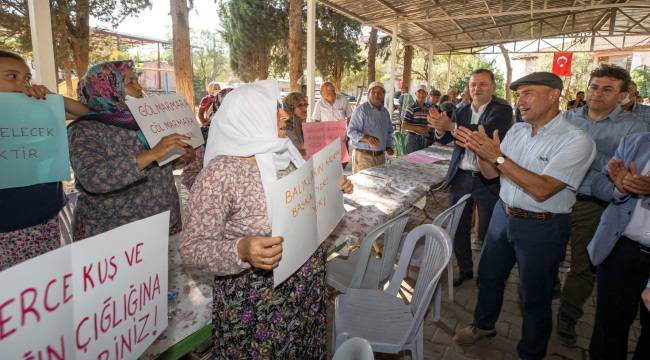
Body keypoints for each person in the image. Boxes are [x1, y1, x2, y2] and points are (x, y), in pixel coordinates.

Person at [179, 79, 353, 358]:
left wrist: (333, 187)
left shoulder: (285, 154)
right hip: (257, 307)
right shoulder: (220, 173)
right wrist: (241, 249)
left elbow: (306, 205)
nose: (284, 115)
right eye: (275, 109)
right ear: (250, 117)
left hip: (304, 296)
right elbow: (191, 246)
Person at [452, 72, 596, 360]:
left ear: (554, 94)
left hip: (543, 227)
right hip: (502, 216)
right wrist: (481, 151)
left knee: (534, 295)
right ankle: (483, 325)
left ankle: (531, 352)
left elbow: (542, 189)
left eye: (529, 92)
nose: (520, 100)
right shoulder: (517, 131)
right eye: (518, 94)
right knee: (489, 278)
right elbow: (492, 174)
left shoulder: (576, 141)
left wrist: (497, 157)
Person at [557, 64, 648, 347]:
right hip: (554, 196)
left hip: (594, 203)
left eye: (607, 89)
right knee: (547, 255)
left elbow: (622, 174)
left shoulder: (635, 129)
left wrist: (586, 156)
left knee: (582, 266)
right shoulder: (567, 118)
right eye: (594, 87)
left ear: (623, 95)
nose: (597, 94)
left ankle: (566, 320)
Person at [69, 60, 195, 240]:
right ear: (106, 89)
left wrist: (180, 157)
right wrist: (151, 154)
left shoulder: (145, 120)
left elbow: (159, 165)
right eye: (130, 83)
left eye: (137, 81)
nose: (139, 88)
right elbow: (94, 178)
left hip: (163, 221)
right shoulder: (85, 129)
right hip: (114, 233)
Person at [0, 50, 88, 271]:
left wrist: (52, 99)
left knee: (41, 285)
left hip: (43, 217)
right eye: (12, 76)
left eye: (27, 78)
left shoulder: (36, 108)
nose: (23, 84)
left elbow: (86, 113)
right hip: (5, 226)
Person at [428, 69, 513, 287]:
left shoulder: (502, 109)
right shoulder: (461, 109)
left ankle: (486, 274)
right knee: (458, 227)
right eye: (473, 84)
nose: (477, 88)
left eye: (483, 84)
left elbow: (484, 132)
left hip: (489, 179)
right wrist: (439, 127)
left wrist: (452, 127)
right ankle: (465, 269)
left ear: (493, 87)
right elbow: (447, 137)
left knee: (487, 231)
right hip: (462, 176)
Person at [587, 132, 650, 360]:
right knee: (608, 326)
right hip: (620, 248)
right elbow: (599, 183)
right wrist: (620, 188)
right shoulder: (636, 141)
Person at [347, 81, 394, 174]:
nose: (377, 94)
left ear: (383, 95)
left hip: (381, 157)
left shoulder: (385, 112)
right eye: (373, 92)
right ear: (368, 94)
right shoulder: (361, 110)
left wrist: (389, 146)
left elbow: (388, 132)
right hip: (364, 157)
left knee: (379, 186)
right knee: (363, 186)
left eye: (380, 92)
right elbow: (350, 131)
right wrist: (366, 138)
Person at [402, 85, 432, 154]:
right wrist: (418, 128)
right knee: (412, 162)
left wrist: (428, 127)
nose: (421, 94)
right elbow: (404, 125)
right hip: (412, 138)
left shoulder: (428, 108)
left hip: (425, 138)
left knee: (423, 161)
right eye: (419, 92)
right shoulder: (411, 107)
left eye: (423, 92)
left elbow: (430, 123)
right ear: (415, 94)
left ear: (426, 94)